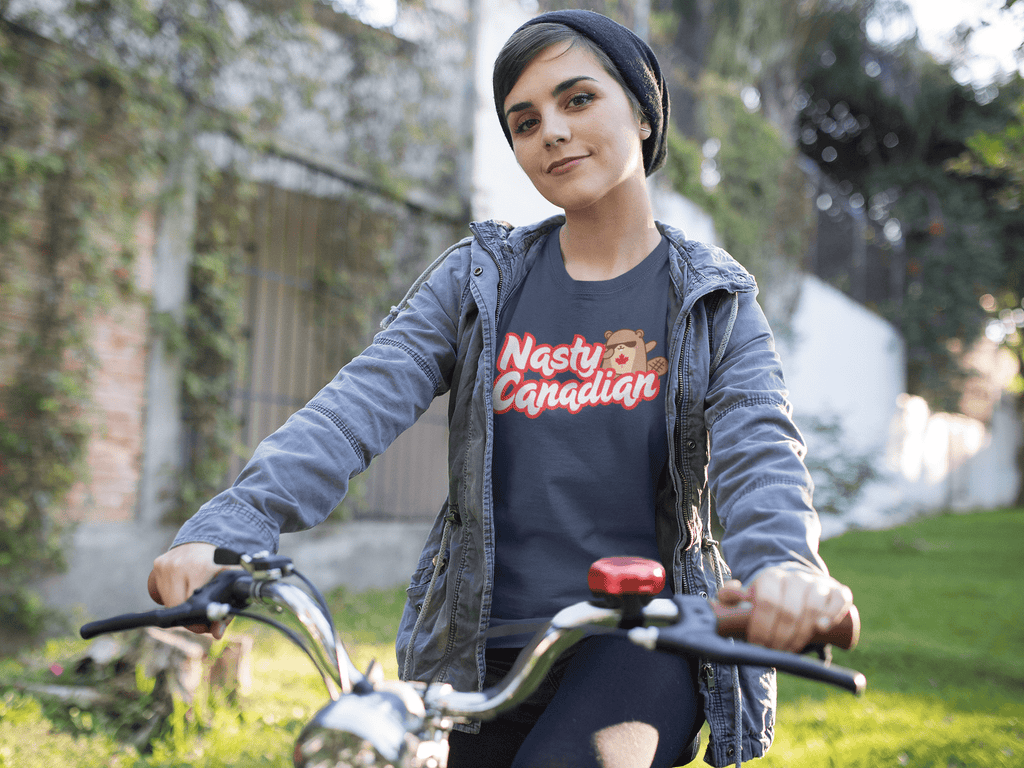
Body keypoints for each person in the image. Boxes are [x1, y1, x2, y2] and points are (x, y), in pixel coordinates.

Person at [148, 9, 853, 768]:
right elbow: (358, 404)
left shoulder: (711, 301)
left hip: (640, 645)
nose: (552, 131)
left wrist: (784, 568)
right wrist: (237, 522)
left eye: (578, 99)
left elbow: (759, 446)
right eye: (525, 121)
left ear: (645, 114)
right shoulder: (478, 280)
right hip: (477, 655)